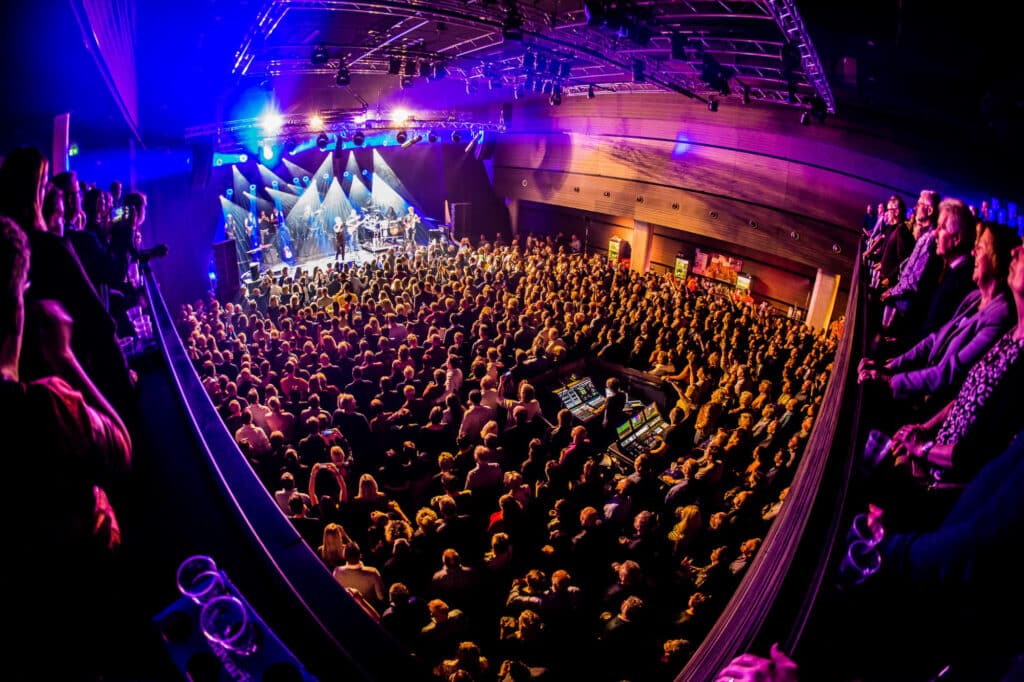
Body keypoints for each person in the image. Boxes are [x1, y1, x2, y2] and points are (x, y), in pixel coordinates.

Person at [0, 216, 133, 677]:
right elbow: (120, 446)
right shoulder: (45, 405)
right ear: (17, 299)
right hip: (85, 602)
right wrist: (63, 357)